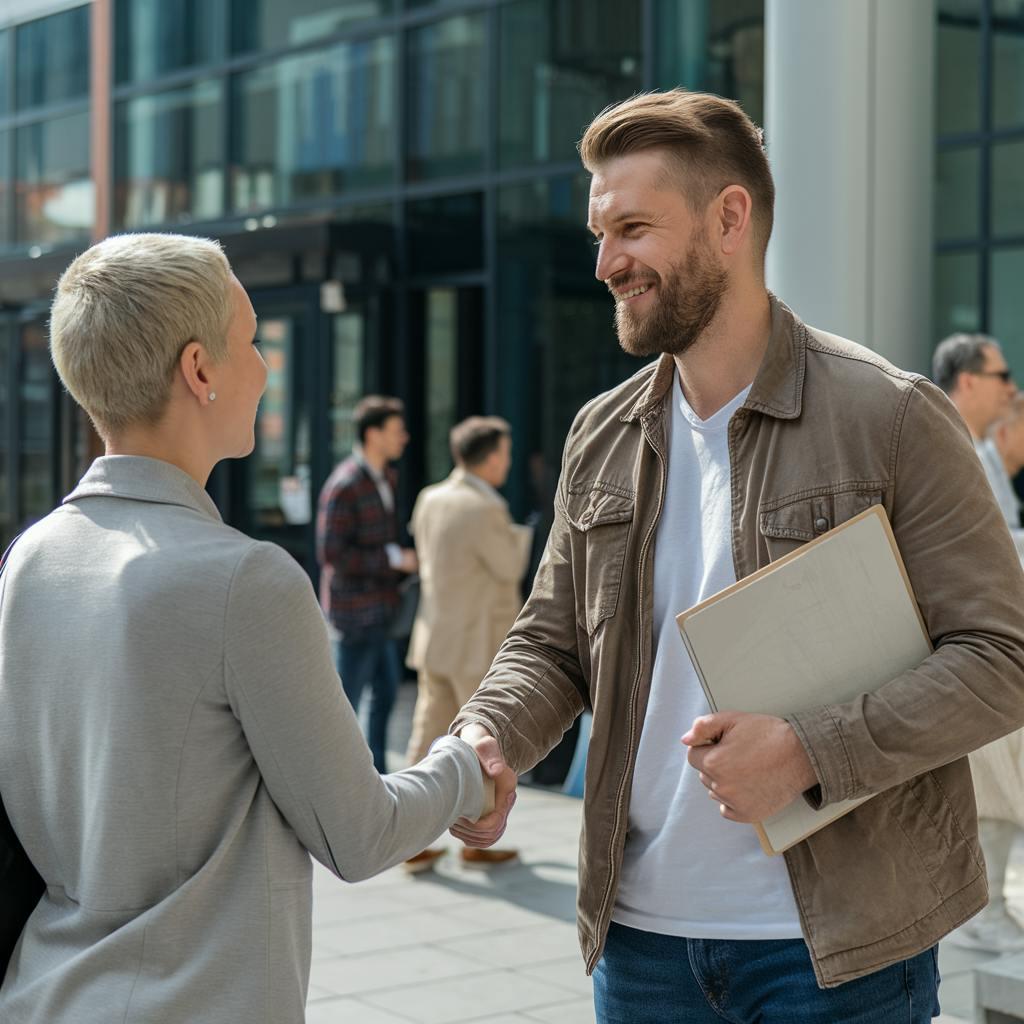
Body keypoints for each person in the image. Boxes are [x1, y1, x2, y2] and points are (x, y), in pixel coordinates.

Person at [449, 90, 1024, 1022]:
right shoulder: (601, 435)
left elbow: (1002, 659)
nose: (606, 264)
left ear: (729, 218)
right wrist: (489, 736)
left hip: (840, 957)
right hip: (636, 951)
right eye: (601, 233)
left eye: (633, 228)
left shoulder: (894, 417)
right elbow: (551, 646)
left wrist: (807, 751)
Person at [0, 233, 505, 1023]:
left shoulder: (31, 559)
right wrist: (465, 768)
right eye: (251, 342)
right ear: (199, 370)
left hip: (44, 994)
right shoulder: (245, 581)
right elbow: (359, 833)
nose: (267, 367)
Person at [403, 417, 533, 872]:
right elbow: (507, 567)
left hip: (435, 634)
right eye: (506, 453)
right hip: (475, 638)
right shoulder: (483, 507)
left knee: (425, 735)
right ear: (493, 456)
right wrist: (524, 533)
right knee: (485, 744)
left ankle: (409, 837)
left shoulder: (430, 498)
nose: (508, 461)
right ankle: (478, 840)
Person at [934, 339, 1024, 952]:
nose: (1012, 389)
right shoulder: (940, 441)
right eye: (1002, 376)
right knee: (993, 761)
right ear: (967, 381)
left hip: (990, 633)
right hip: (958, 640)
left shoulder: (980, 449)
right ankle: (976, 911)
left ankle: (985, 905)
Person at [316, 395, 417, 773]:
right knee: (346, 705)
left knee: (386, 696)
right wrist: (395, 559)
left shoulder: (386, 477)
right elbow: (332, 556)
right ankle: (334, 777)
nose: (403, 437)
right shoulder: (345, 484)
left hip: (383, 610)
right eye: (395, 430)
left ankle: (373, 777)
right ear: (373, 434)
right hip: (355, 615)